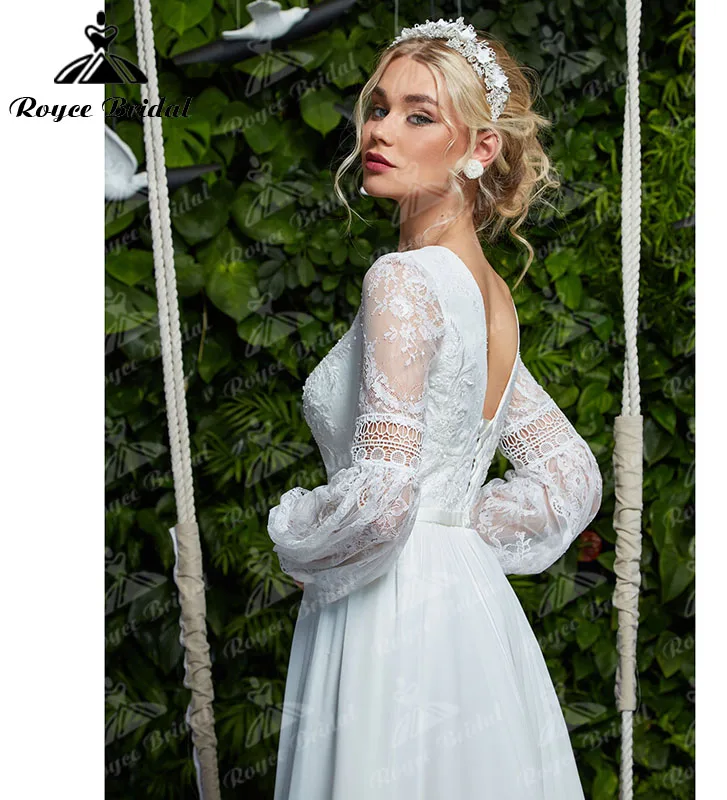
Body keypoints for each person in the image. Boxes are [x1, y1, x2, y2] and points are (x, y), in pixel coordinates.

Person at [267, 17, 602, 799]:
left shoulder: (403, 279)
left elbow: (384, 498)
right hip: (467, 611)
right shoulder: (491, 295)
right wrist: (458, 533)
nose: (380, 131)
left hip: (386, 610)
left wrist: (302, 544)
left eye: (418, 116)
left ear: (479, 148)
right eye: (379, 107)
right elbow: (572, 479)